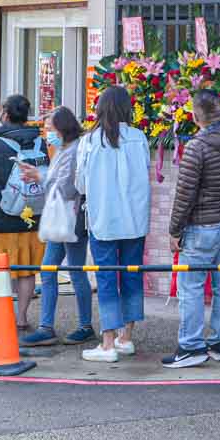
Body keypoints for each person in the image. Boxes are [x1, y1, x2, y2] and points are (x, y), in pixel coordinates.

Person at [162, 90, 220, 368]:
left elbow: (185, 194)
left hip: (203, 225)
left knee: (192, 286)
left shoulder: (197, 147)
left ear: (194, 115)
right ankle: (219, 343)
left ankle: (191, 346)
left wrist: (175, 230)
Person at [77, 86, 152, 362]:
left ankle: (107, 344)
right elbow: (144, 172)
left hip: (103, 219)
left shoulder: (90, 141)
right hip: (134, 219)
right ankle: (126, 338)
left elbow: (80, 183)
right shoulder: (139, 137)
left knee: (107, 278)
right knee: (132, 274)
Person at [23, 106, 95, 347]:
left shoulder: (73, 150)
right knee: (51, 269)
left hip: (71, 219)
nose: (46, 132)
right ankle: (48, 326)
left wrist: (41, 176)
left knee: (72, 270)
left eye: (49, 128)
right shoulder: (64, 148)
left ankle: (83, 325)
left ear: (62, 128)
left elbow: (67, 186)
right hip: (63, 218)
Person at [0, 95, 45, 330]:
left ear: (5, 113)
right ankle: (22, 318)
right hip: (30, 216)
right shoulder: (39, 142)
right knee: (26, 270)